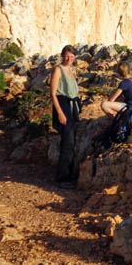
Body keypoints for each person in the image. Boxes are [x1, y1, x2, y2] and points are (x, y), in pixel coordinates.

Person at [50, 45, 81, 189]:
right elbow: (53, 93)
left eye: (72, 56)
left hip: (71, 107)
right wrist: (60, 112)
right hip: (62, 105)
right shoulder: (58, 69)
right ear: (63, 56)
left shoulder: (71, 70)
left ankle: (69, 175)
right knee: (67, 141)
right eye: (67, 56)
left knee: (71, 141)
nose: (69, 58)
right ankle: (62, 178)